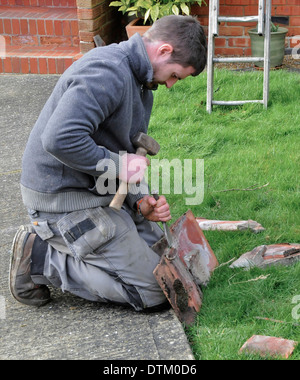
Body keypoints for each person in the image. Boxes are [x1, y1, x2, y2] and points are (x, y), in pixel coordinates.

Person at [9, 15, 207, 311]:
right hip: (61, 200)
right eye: (175, 75)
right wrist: (119, 166)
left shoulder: (140, 81)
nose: (170, 84)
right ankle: (41, 257)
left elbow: (123, 151)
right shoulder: (107, 71)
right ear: (164, 50)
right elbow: (60, 139)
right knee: (159, 291)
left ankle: (106, 239)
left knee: (171, 262)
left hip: (96, 192)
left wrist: (141, 200)